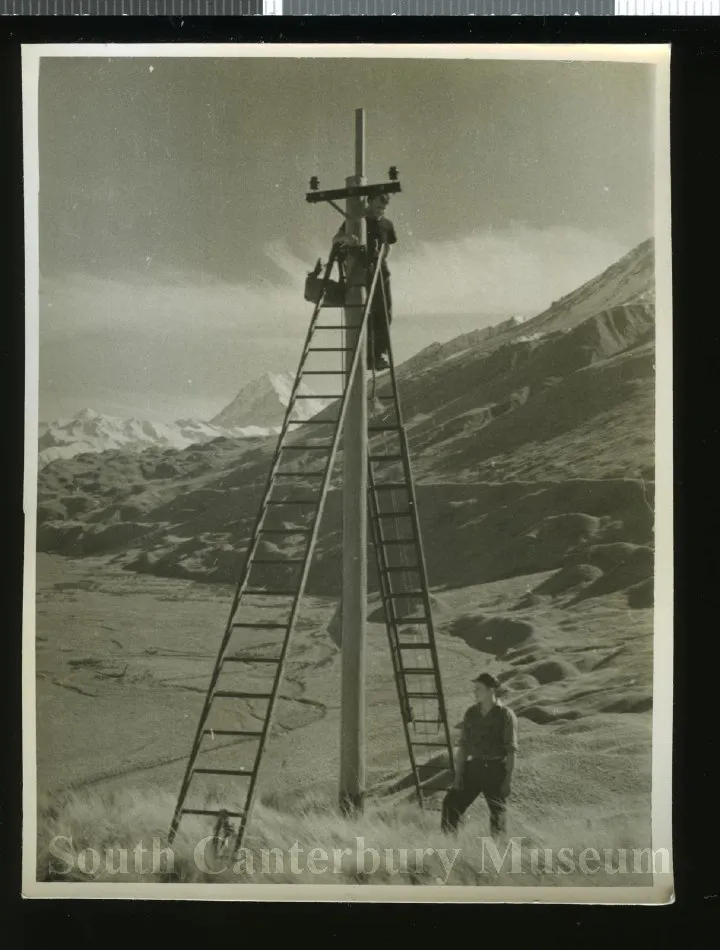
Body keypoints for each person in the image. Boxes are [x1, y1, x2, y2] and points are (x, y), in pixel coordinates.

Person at [441, 672, 518, 838]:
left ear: (491, 691)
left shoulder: (505, 715)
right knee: (450, 804)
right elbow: (463, 746)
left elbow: (511, 749)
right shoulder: (471, 713)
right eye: (474, 688)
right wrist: (458, 776)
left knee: (498, 815)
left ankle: (498, 852)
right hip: (474, 768)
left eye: (478, 689)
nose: (474, 692)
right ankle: (449, 848)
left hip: (495, 769)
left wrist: (507, 781)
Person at [332, 193, 397, 370]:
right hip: (361, 272)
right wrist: (347, 238)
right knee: (365, 313)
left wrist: (382, 257)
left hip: (380, 271)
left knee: (384, 312)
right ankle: (367, 354)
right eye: (378, 208)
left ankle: (378, 354)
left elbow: (389, 244)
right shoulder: (357, 222)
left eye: (383, 209)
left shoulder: (387, 224)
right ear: (369, 202)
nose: (380, 212)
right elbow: (335, 239)